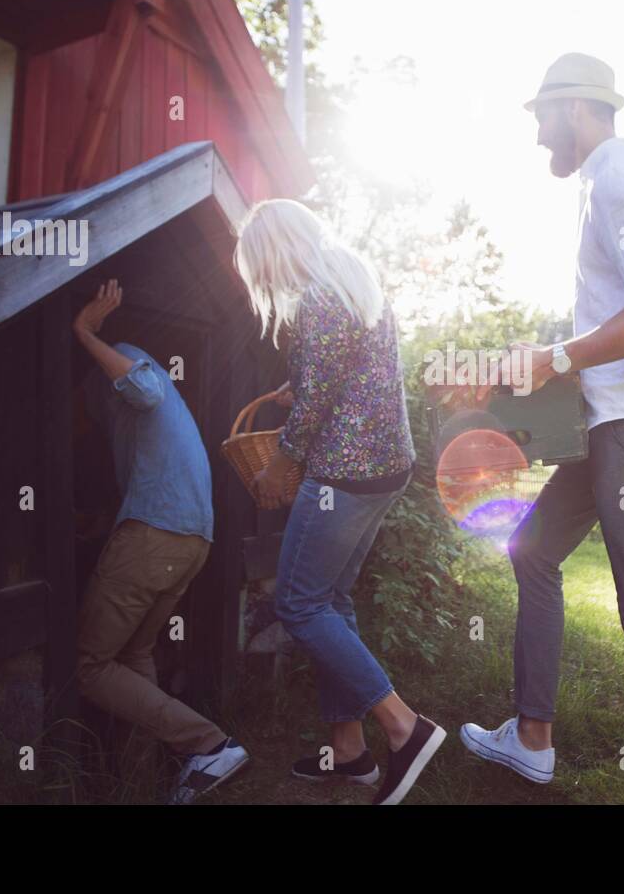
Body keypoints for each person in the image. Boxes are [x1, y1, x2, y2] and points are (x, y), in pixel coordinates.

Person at [461, 53, 624, 805]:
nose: (539, 135)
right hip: (609, 422)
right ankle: (533, 741)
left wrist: (558, 356)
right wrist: (549, 373)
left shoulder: (620, 179)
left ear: (576, 108)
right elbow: (623, 317)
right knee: (532, 549)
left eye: (542, 117)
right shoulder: (597, 188)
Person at [234, 198, 445, 806]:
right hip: (384, 468)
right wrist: (294, 383)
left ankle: (405, 728)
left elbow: (322, 394)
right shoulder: (347, 276)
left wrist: (279, 465)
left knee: (298, 605)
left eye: (260, 266)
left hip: (342, 475)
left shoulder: (319, 292)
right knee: (330, 599)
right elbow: (339, 367)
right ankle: (349, 755)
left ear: (275, 250)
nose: (265, 281)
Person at [73, 279, 248, 804]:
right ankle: (139, 784)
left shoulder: (129, 364)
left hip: (155, 534)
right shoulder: (151, 411)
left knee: (87, 665)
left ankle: (209, 744)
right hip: (191, 539)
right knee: (133, 656)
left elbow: (142, 390)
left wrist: (83, 329)